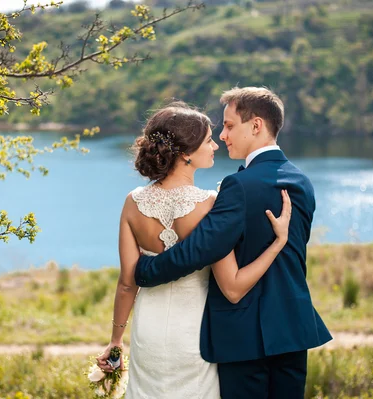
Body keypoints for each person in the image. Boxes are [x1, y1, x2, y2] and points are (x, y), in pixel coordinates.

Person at [133, 88, 332, 398]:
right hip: (293, 330)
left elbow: (199, 249)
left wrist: (145, 269)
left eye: (228, 125)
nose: (223, 135)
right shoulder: (301, 182)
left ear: (256, 126)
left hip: (244, 338)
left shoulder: (238, 185)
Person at [96, 101, 292, 398]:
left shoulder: (132, 202)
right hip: (196, 333)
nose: (216, 145)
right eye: (208, 140)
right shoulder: (211, 205)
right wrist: (278, 243)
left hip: (148, 330)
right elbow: (233, 284)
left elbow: (127, 283)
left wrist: (116, 340)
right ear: (186, 154)